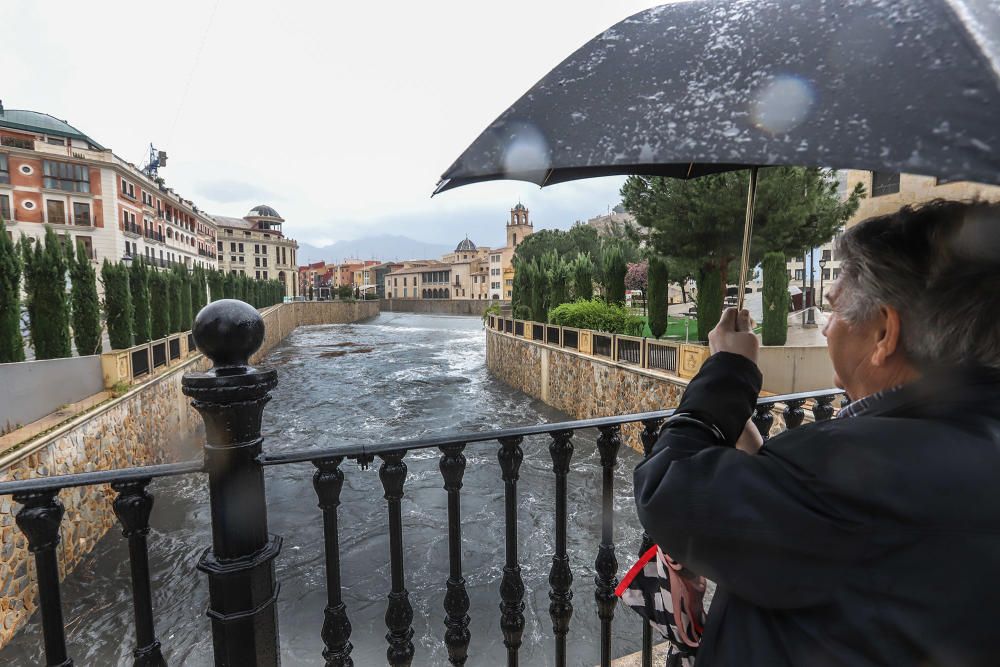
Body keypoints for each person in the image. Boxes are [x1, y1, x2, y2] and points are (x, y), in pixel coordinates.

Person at [633, 200, 1000, 666]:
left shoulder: (857, 479)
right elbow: (819, 540)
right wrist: (758, 455)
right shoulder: (969, 436)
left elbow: (667, 489)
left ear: (885, 332)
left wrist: (727, 372)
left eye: (834, 309)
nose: (826, 328)